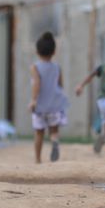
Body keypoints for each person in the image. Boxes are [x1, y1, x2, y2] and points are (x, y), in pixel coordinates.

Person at [28, 32, 68, 163]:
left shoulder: (35, 67)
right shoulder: (57, 67)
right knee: (54, 129)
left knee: (39, 132)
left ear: (37, 51)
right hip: (55, 104)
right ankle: (55, 141)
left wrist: (33, 100)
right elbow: (60, 84)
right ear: (54, 51)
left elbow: (36, 84)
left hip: (40, 105)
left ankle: (38, 159)